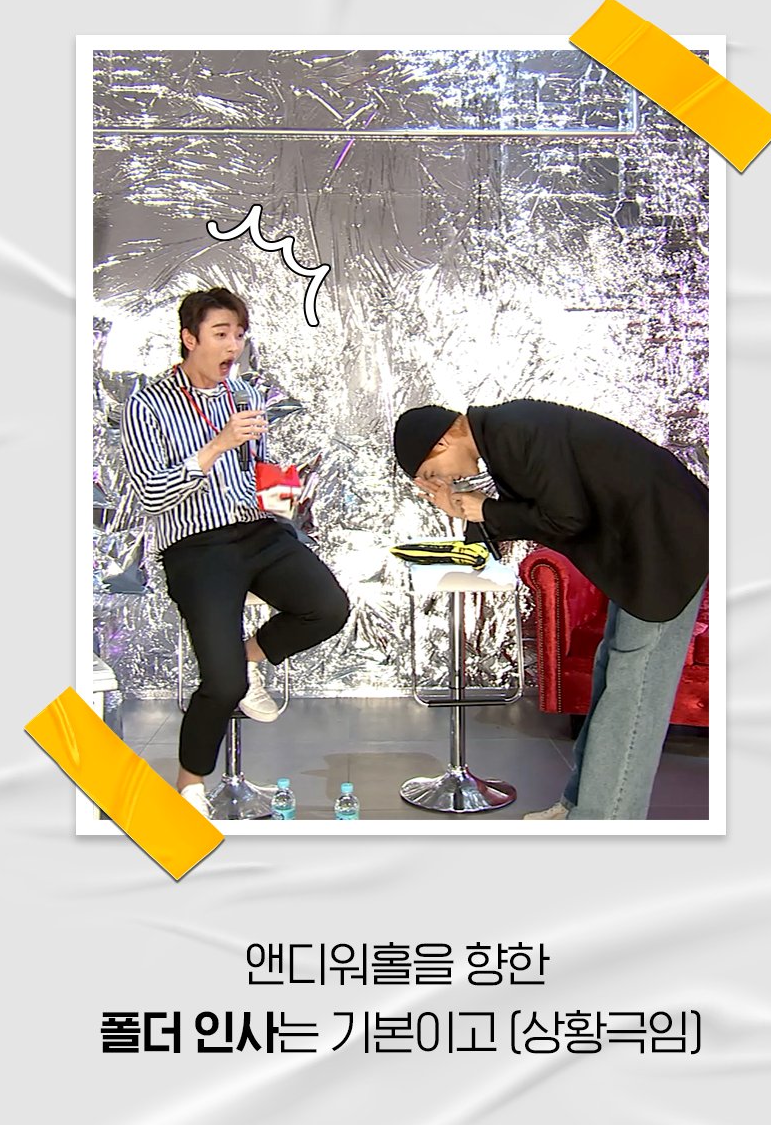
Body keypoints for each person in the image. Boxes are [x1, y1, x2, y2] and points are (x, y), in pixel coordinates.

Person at [392, 400, 708, 820]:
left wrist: (485, 509)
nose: (447, 480)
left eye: (434, 472)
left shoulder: (513, 431)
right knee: (613, 679)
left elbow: (566, 519)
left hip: (669, 547)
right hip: (642, 551)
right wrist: (469, 510)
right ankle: (579, 806)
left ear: (443, 441)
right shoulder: (504, 433)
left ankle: (603, 823)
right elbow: (544, 513)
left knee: (633, 696)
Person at [120, 286, 349, 818]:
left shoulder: (243, 393)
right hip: (196, 546)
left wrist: (281, 490)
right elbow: (152, 494)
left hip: (257, 531)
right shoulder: (148, 404)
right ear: (189, 338)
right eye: (221, 334)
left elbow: (253, 472)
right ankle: (189, 785)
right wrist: (217, 444)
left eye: (239, 335)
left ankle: (246, 659)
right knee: (220, 684)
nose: (233, 346)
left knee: (328, 607)